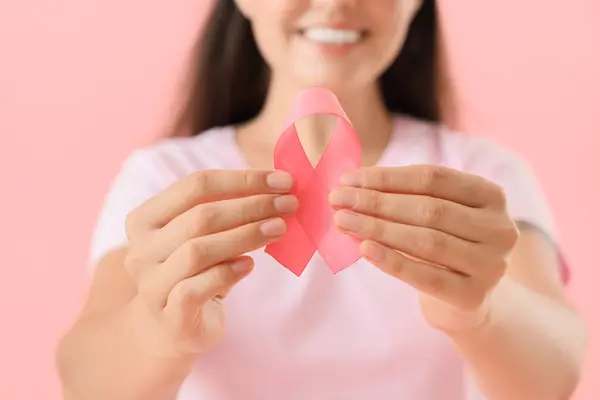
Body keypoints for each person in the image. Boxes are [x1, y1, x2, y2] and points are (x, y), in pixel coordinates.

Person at [56, 1, 587, 399]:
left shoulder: (480, 178)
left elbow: (557, 370)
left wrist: (480, 314)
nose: (335, 1)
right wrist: (162, 332)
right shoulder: (165, 179)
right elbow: (84, 378)